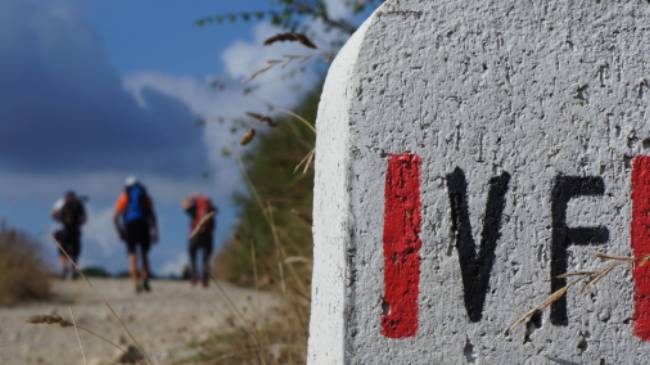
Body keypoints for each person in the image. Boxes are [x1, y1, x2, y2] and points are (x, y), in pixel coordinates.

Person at [113, 177, 158, 293]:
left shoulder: (124, 196)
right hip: (143, 226)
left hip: (130, 227)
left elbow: (115, 217)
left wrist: (120, 231)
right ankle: (145, 279)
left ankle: (134, 284)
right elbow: (152, 215)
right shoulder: (145, 196)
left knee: (132, 256)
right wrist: (154, 231)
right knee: (144, 255)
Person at [182, 194, 217, 287]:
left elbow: (186, 208)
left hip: (196, 233)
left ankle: (194, 276)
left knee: (192, 254)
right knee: (206, 258)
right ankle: (205, 280)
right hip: (208, 234)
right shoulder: (208, 205)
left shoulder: (194, 203)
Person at [51, 191, 86, 279]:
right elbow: (84, 219)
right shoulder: (78, 203)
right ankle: (74, 271)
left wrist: (59, 218)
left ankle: (64, 269)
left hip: (63, 230)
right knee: (75, 252)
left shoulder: (61, 203)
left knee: (62, 250)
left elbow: (52, 215)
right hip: (76, 231)